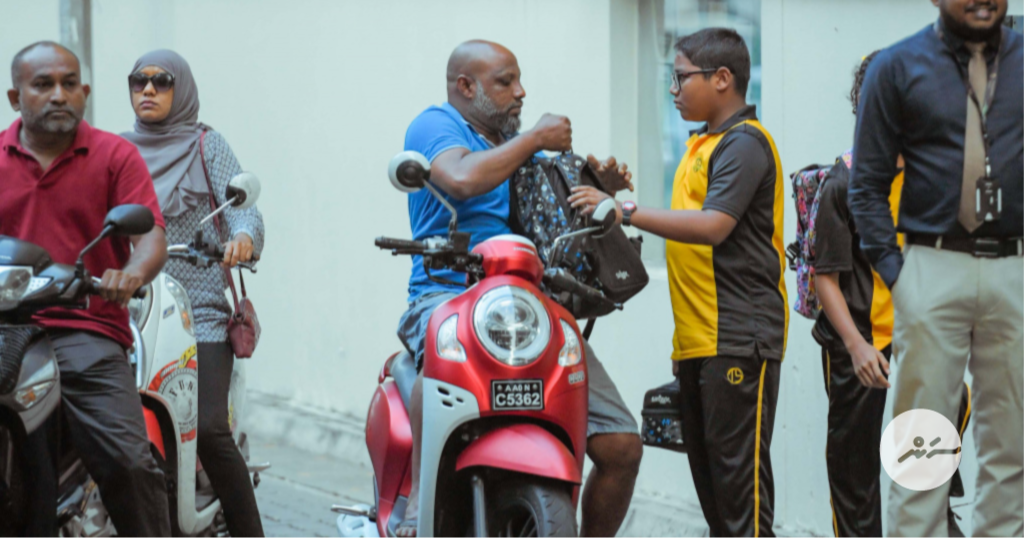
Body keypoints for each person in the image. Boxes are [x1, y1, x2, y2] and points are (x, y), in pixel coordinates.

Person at [395, 40, 642, 538]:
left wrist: (597, 189)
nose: (521, 92)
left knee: (621, 446)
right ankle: (421, 501)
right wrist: (534, 139)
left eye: (519, 80)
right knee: (435, 369)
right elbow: (460, 179)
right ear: (466, 86)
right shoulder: (437, 125)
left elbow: (547, 221)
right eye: (505, 82)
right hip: (445, 293)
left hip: (525, 303)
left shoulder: (517, 147)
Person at [570, 28, 787, 537]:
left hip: (739, 340)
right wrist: (683, 347)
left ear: (722, 78)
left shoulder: (743, 144)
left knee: (742, 506)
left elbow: (713, 227)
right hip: (701, 343)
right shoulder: (701, 144)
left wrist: (625, 210)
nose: (672, 89)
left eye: (681, 77)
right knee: (718, 505)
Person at [849, 0, 1024, 535]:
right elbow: (866, 187)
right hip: (930, 268)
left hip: (1015, 269)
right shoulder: (895, 67)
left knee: (1013, 451)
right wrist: (900, 278)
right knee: (922, 452)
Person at [2, 41, 171, 537]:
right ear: (15, 97)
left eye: (69, 84)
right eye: (43, 85)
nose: (59, 94)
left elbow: (150, 237)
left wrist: (131, 274)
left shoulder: (115, 155)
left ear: (85, 92)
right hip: (6, 329)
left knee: (130, 463)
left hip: (83, 329)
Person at [814, 52, 971, 538]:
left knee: (948, 413)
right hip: (858, 339)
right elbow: (825, 278)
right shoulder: (844, 182)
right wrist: (856, 346)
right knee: (853, 468)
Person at [122, 50, 266, 538]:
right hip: (130, 310)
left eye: (161, 81)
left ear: (180, 89)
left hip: (197, 314)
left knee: (207, 428)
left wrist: (242, 237)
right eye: (138, 81)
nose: (147, 90)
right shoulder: (116, 151)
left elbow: (244, 210)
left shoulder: (207, 146)